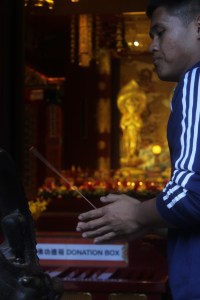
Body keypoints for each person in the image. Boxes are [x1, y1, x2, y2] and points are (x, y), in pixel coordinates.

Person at [76, 0, 200, 299]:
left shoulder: (196, 80)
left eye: (160, 32)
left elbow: (192, 195)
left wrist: (139, 214)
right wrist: (153, 224)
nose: (152, 47)